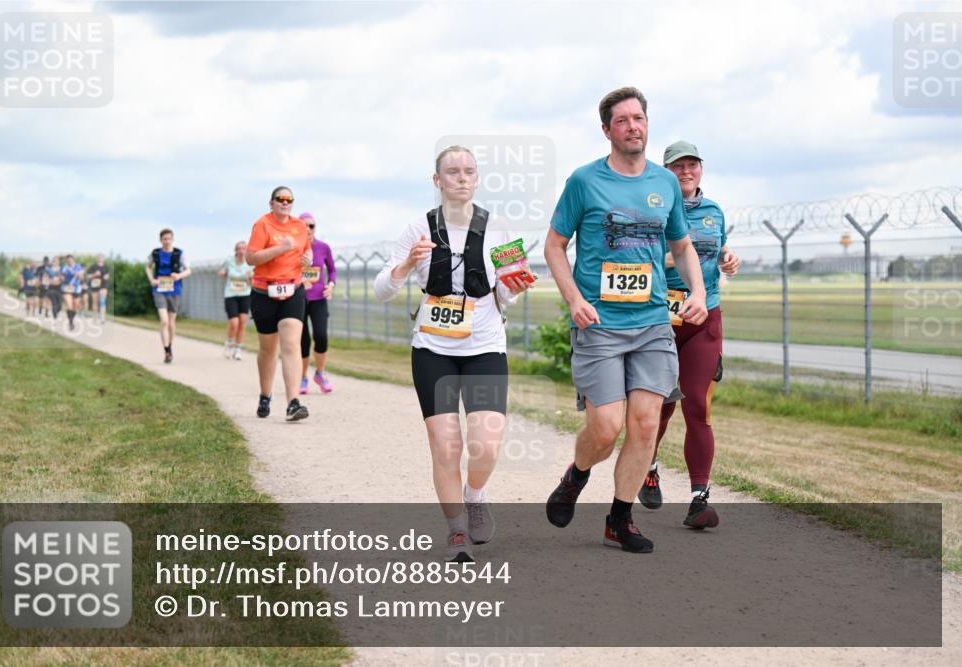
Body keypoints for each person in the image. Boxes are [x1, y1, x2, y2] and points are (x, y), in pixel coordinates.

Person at [543, 87, 708, 554]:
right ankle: (576, 476)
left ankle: (620, 518)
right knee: (606, 427)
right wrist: (573, 299)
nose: (633, 126)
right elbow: (553, 246)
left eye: (639, 118)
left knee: (644, 424)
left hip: (653, 322)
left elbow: (681, 246)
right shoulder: (584, 181)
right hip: (599, 324)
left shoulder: (664, 184)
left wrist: (696, 290)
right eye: (622, 120)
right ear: (607, 130)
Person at [375, 145, 531, 562]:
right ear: (437, 180)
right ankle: (457, 530)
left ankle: (475, 494)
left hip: (484, 346)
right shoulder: (417, 229)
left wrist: (511, 289)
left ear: (477, 179)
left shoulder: (499, 229)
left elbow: (506, 290)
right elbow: (382, 290)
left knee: (486, 444)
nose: (461, 178)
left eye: (469, 171)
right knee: (446, 446)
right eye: (452, 172)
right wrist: (407, 265)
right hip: (432, 349)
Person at [636, 140, 740, 528]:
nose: (686, 172)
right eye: (677, 166)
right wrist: (682, 253)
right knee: (661, 405)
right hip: (661, 318)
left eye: (692, 165)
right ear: (665, 172)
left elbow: (718, 248)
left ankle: (700, 499)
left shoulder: (714, 211)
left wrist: (728, 257)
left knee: (698, 404)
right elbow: (643, 257)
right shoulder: (653, 208)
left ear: (701, 170)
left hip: (704, 317)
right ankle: (649, 465)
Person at [245, 187, 313, 421]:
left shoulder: (299, 227)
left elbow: (307, 252)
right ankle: (265, 394)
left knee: (291, 344)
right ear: (271, 203)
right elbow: (251, 258)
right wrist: (280, 248)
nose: (285, 203)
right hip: (264, 292)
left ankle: (293, 402)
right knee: (268, 349)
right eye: (280, 199)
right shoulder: (262, 225)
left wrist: (308, 258)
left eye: (289, 199)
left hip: (293, 289)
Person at [297, 212, 337, 394]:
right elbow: (285, 270)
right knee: (303, 340)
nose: (308, 229)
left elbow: (333, 270)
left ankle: (320, 373)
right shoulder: (293, 249)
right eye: (303, 225)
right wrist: (299, 279)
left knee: (321, 336)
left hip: (319, 298)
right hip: (298, 299)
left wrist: (331, 285)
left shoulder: (323, 247)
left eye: (311, 226)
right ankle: (303, 378)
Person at [146, 229, 192, 363]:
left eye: (169, 239)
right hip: (159, 290)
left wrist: (179, 275)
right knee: (164, 321)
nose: (167, 241)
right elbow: (148, 267)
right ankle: (166, 350)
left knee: (171, 323)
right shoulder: (155, 253)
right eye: (164, 239)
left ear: (173, 239)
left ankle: (169, 347)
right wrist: (151, 280)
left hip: (175, 290)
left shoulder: (179, 254)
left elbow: (189, 270)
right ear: (160, 240)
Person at [218, 241, 253, 360]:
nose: (241, 251)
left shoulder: (250, 263)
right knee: (234, 323)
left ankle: (238, 349)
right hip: (231, 294)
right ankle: (229, 343)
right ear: (235, 250)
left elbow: (254, 282)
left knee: (242, 323)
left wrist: (251, 277)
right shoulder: (229, 261)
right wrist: (223, 273)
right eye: (239, 248)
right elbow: (221, 272)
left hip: (245, 294)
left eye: (244, 248)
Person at [60, 254, 84, 331]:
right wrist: (62, 278)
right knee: (69, 305)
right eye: (68, 260)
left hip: (76, 288)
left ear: (73, 260)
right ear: (66, 261)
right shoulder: (64, 267)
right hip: (66, 288)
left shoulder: (78, 266)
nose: (69, 261)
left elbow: (82, 277)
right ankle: (71, 322)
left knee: (76, 306)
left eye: (71, 260)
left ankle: (71, 319)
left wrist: (78, 274)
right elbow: (62, 276)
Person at [85, 255, 111, 323]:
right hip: (95, 285)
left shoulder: (106, 266)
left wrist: (107, 276)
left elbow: (108, 275)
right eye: (99, 257)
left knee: (102, 301)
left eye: (101, 257)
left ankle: (103, 318)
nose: (100, 259)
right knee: (95, 302)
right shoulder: (93, 266)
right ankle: (95, 317)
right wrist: (94, 274)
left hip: (103, 286)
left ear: (103, 259)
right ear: (96, 259)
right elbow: (87, 276)